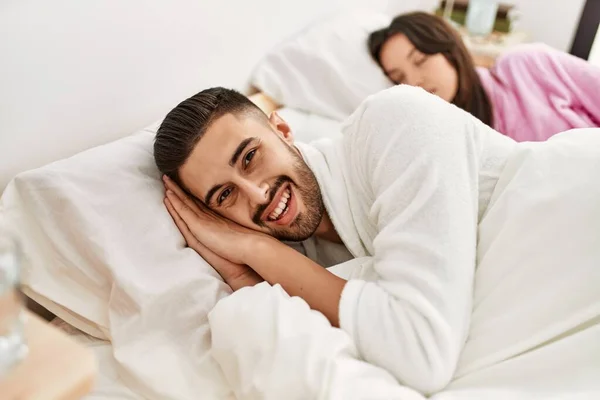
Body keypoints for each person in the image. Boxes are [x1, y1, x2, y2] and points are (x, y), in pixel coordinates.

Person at [153, 85, 600, 395]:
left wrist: (258, 250)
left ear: (283, 130)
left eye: (250, 158)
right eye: (225, 195)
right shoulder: (299, 260)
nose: (257, 194)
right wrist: (240, 274)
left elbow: (422, 353)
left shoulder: (394, 122)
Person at [368, 12, 600, 142]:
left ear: (450, 50)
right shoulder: (440, 139)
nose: (414, 81)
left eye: (420, 60)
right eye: (398, 78)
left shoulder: (525, 66)